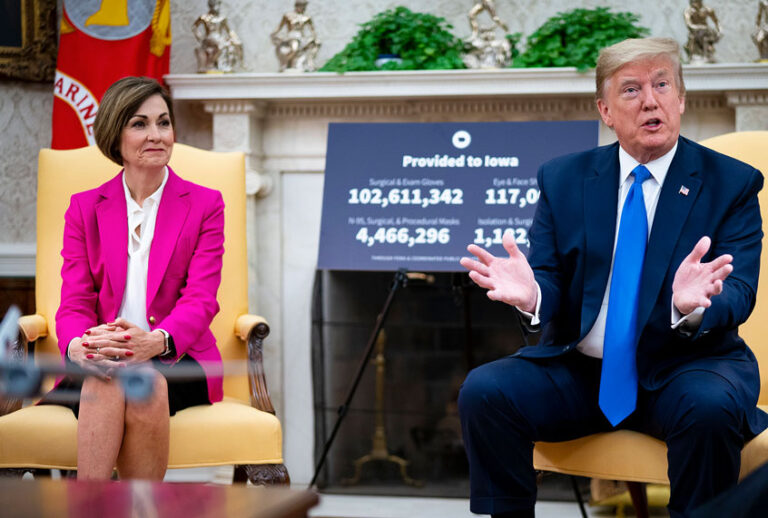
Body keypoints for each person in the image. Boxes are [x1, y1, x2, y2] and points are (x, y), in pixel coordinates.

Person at [459, 37, 768, 518]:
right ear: (605, 110)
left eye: (662, 85)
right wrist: (535, 297)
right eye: (631, 90)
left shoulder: (733, 183)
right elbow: (550, 277)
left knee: (708, 409)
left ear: (681, 98)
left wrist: (690, 306)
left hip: (686, 366)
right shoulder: (563, 179)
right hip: (582, 371)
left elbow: (740, 291)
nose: (651, 100)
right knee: (486, 391)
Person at [42, 76, 225, 480]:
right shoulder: (85, 208)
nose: (156, 135)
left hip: (178, 358)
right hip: (101, 356)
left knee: (143, 381)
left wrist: (155, 342)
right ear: (116, 134)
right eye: (140, 124)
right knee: (110, 378)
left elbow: (201, 298)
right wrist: (78, 347)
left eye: (163, 122)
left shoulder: (205, 205)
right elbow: (73, 302)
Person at [192, 0, 243, 73]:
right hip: (209, 39)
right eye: (215, 5)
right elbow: (194, 27)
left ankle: (238, 64)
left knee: (235, 44)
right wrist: (200, 37)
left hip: (219, 38)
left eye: (218, 5)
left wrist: (234, 37)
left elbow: (229, 31)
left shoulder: (222, 19)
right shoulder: (204, 17)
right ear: (210, 6)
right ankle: (211, 63)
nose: (217, 7)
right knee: (221, 45)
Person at [270, 0, 320, 72]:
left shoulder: (306, 17)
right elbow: (279, 27)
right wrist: (273, 33)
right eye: (301, 6)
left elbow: (312, 30)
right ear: (297, 6)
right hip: (292, 36)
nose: (303, 8)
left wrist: (314, 37)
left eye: (304, 6)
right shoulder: (288, 15)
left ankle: (310, 63)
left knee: (316, 43)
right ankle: (285, 63)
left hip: (302, 37)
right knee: (294, 48)